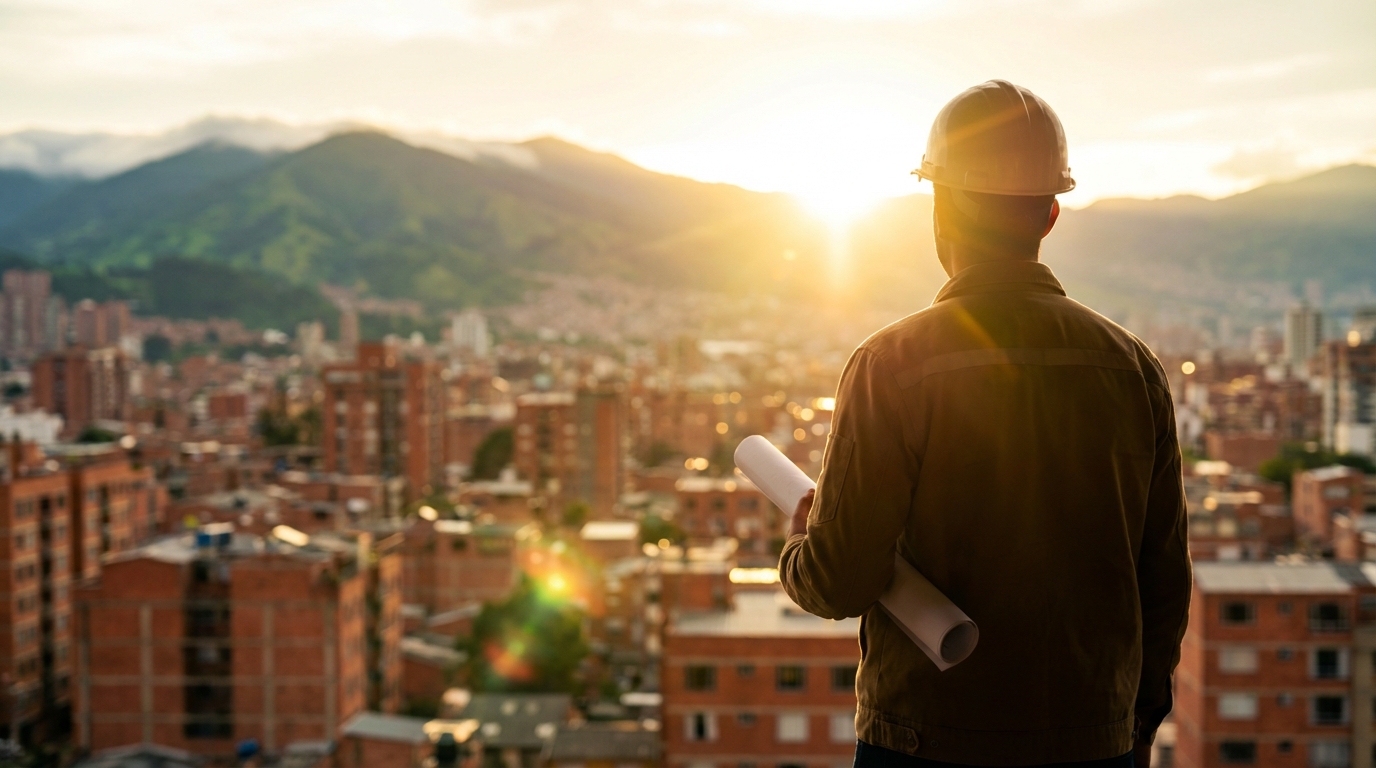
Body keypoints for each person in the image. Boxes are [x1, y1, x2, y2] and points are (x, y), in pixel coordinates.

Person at [778, 80, 1191, 768]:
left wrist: (801, 549)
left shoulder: (892, 365)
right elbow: (1163, 584)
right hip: (1091, 742)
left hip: (926, 742)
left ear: (941, 206)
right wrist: (1132, 726)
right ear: (1051, 214)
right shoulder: (1133, 370)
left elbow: (842, 578)